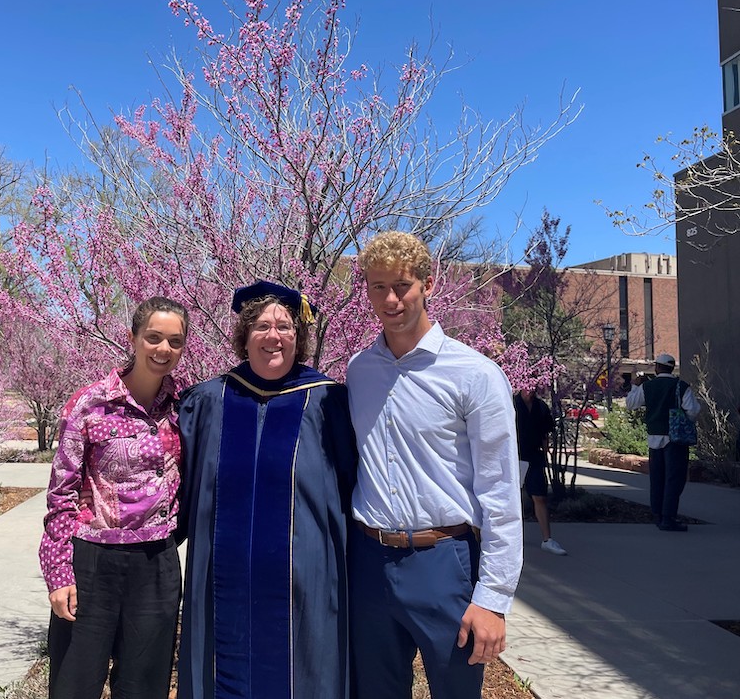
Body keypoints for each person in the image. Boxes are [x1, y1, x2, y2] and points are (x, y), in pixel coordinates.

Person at [346, 231, 523, 699]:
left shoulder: (476, 375)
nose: (390, 298)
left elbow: (501, 491)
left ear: (429, 283)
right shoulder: (358, 371)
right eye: (377, 286)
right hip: (369, 561)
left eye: (401, 285)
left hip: (445, 562)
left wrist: (493, 598)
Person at [177, 281, 357, 699]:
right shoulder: (209, 401)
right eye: (260, 326)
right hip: (224, 585)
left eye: (284, 326)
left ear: (299, 336)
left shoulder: (328, 403)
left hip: (303, 586)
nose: (273, 335)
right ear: (244, 336)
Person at [39, 296, 188, 699]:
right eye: (153, 337)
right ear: (133, 338)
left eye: (175, 342)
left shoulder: (185, 408)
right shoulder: (90, 404)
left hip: (156, 565)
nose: (163, 350)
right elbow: (61, 493)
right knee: (73, 685)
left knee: (144, 687)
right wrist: (59, 573)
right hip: (91, 562)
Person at [626, 354, 700, 532]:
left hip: (654, 437)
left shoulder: (648, 387)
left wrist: (635, 386)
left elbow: (631, 404)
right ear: (672, 368)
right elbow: (693, 410)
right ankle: (669, 517)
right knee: (674, 479)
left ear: (657, 368)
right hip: (675, 439)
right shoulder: (680, 386)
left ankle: (658, 514)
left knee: (657, 478)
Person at [514, 388, 566, 555]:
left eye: (533, 387)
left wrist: (545, 453)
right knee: (512, 499)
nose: (530, 391)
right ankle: (511, 538)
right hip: (514, 457)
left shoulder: (541, 407)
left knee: (540, 497)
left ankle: (547, 539)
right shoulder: (511, 404)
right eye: (527, 387)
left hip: (534, 457)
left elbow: (545, 434)